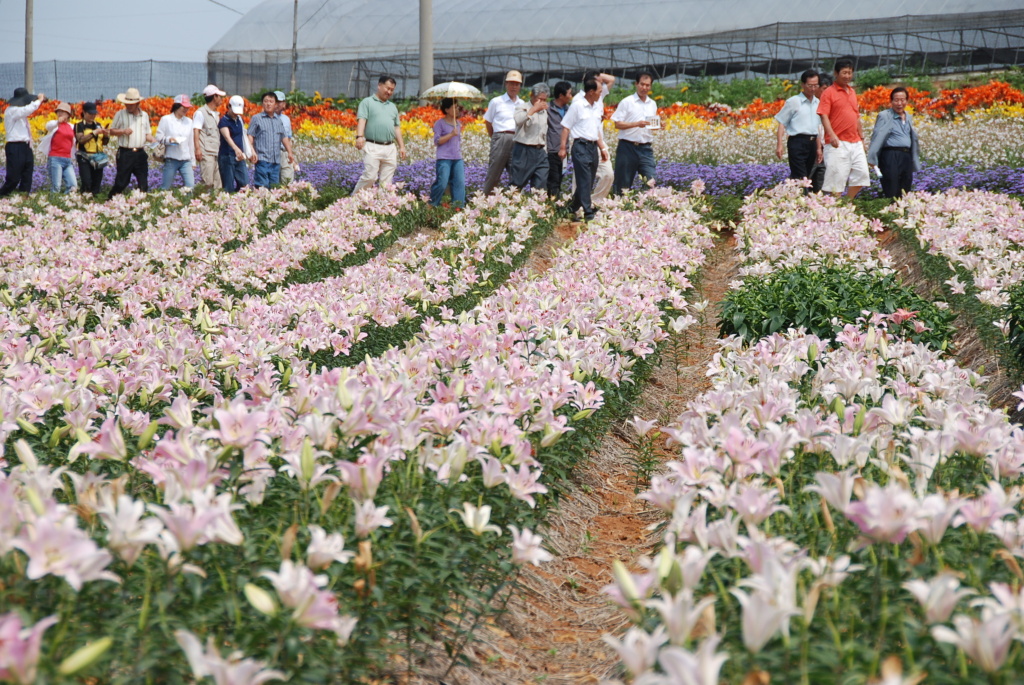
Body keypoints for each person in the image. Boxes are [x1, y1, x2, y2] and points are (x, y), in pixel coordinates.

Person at [817, 58, 870, 199]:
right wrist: (832, 135)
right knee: (836, 180)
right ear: (836, 73)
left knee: (862, 175)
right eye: (844, 73)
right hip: (838, 143)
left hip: (855, 141)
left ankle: (847, 203)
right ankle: (835, 211)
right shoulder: (829, 92)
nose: (847, 76)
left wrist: (862, 139)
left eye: (850, 73)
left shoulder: (852, 92)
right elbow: (823, 115)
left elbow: (856, 116)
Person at [559, 78, 608, 222]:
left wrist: (602, 147)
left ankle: (572, 207)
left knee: (589, 179)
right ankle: (588, 211)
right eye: (599, 91)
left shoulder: (596, 108)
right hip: (580, 146)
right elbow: (566, 127)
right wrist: (563, 148)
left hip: (593, 147)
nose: (601, 94)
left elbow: (596, 130)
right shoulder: (577, 106)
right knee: (584, 179)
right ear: (591, 92)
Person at [353, 75, 406, 192]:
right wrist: (359, 137)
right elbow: (362, 119)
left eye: (392, 90)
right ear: (379, 86)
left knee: (387, 182)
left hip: (390, 147)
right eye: (387, 88)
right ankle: (354, 200)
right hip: (373, 146)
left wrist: (402, 146)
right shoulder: (367, 102)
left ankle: (382, 205)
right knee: (370, 177)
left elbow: (396, 127)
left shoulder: (392, 107)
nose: (389, 92)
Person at [867, 86, 921, 199]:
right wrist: (872, 158)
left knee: (905, 187)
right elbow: (876, 137)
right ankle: (892, 211)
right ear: (891, 101)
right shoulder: (885, 115)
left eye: (902, 100)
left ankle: (902, 211)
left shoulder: (908, 117)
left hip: (906, 155)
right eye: (896, 100)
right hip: (890, 155)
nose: (899, 103)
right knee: (891, 187)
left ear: (907, 101)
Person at [611, 72, 658, 194]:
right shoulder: (627, 102)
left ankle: (643, 206)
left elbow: (651, 126)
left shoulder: (652, 104)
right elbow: (617, 124)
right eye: (642, 84)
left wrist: (659, 125)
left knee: (651, 181)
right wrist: (636, 124)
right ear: (636, 84)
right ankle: (621, 208)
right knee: (623, 185)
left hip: (646, 148)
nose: (645, 88)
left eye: (648, 85)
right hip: (627, 147)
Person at [775, 69, 822, 184]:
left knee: (807, 175)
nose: (813, 88)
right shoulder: (794, 101)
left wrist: (819, 148)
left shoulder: (818, 103)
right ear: (803, 85)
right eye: (810, 85)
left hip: (812, 142)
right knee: (801, 176)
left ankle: (794, 196)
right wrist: (779, 145)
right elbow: (782, 123)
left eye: (816, 85)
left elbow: (818, 128)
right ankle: (802, 198)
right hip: (797, 142)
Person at [573, 71, 615, 200]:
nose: (602, 84)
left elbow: (612, 79)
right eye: (599, 82)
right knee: (580, 177)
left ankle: (594, 202)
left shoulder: (599, 95)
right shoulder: (578, 100)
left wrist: (597, 75)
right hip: (582, 143)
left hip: (598, 141)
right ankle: (577, 208)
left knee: (608, 174)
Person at [482, 70, 524, 194]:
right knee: (494, 174)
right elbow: (488, 122)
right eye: (511, 83)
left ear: (520, 86)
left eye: (517, 84)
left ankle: (516, 204)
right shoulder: (496, 101)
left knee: (516, 174)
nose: (514, 87)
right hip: (501, 136)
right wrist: (495, 137)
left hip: (517, 139)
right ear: (506, 84)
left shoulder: (522, 104)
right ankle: (485, 202)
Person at [108, 87, 155, 196]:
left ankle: (142, 203)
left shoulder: (145, 116)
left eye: (131, 104)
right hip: (125, 153)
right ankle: (111, 199)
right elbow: (111, 131)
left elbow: (147, 134)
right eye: (127, 104)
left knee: (143, 183)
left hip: (140, 153)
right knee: (122, 182)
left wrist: (153, 140)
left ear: (138, 103)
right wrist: (123, 131)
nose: (128, 106)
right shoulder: (120, 114)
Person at [0, 87, 45, 197]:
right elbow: (27, 110)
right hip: (15, 146)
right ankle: (2, 195)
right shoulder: (12, 111)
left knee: (27, 174)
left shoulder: (20, 115)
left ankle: (23, 198)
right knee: (14, 177)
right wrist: (39, 100)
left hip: (25, 146)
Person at [248, 91, 294, 188]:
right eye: (266, 101)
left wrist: (289, 152)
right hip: (262, 159)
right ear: (262, 103)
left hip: (275, 161)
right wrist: (251, 151)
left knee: (274, 188)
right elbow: (250, 135)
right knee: (262, 187)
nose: (268, 104)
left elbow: (284, 137)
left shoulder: (278, 120)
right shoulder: (257, 118)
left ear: (275, 104)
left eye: (271, 101)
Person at [510, 83, 550, 191]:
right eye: (539, 99)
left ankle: (536, 206)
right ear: (532, 96)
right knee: (517, 184)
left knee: (541, 184)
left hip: (540, 151)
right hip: (524, 150)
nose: (542, 103)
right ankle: (511, 204)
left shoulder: (545, 112)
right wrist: (533, 110)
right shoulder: (522, 107)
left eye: (544, 100)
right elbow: (518, 121)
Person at [429, 97, 465, 207]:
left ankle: (458, 207)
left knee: (459, 183)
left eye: (457, 107)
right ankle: (432, 203)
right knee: (442, 183)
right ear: (447, 109)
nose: (457, 109)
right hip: (444, 158)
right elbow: (437, 141)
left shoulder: (458, 124)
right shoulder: (440, 123)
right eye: (454, 107)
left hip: (457, 158)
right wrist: (451, 134)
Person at [157, 94, 196, 190]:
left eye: (187, 107)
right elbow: (158, 137)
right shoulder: (166, 119)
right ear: (177, 106)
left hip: (185, 160)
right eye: (184, 107)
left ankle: (189, 204)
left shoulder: (189, 122)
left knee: (190, 186)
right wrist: (169, 139)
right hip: (171, 158)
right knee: (165, 187)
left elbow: (191, 142)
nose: (186, 109)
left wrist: (193, 161)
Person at [193, 84, 226, 188]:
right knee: (207, 182)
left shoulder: (216, 114)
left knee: (218, 184)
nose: (221, 99)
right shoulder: (200, 113)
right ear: (214, 97)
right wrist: (198, 149)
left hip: (216, 152)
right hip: (206, 153)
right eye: (219, 96)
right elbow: (196, 131)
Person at [218, 95, 252, 193]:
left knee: (244, 184)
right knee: (228, 186)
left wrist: (250, 150)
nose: (236, 113)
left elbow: (244, 136)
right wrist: (236, 149)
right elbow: (227, 137)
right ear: (228, 107)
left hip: (240, 157)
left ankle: (239, 201)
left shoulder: (240, 120)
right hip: (227, 156)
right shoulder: (224, 121)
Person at [545, 81, 573, 199]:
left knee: (561, 177)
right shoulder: (548, 109)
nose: (571, 96)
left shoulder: (569, 109)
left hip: (565, 151)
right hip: (552, 150)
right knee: (553, 179)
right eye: (569, 93)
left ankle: (555, 202)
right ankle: (553, 205)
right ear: (561, 95)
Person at [75, 102, 109, 195]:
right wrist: (94, 133)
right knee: (87, 181)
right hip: (84, 156)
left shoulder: (98, 125)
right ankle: (84, 197)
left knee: (96, 183)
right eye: (90, 114)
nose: (93, 116)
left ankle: (94, 201)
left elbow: (104, 142)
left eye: (94, 114)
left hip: (98, 157)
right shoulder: (80, 125)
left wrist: (106, 135)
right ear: (84, 113)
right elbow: (81, 140)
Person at [44, 102, 77, 193]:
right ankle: (53, 205)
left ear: (68, 114)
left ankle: (65, 202)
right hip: (55, 158)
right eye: (58, 111)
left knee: (73, 186)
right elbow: (48, 126)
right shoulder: (54, 124)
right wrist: (58, 121)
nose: (60, 113)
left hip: (67, 159)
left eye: (63, 112)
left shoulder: (72, 126)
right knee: (56, 187)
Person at [809, 74, 832, 194]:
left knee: (822, 181)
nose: (827, 92)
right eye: (824, 89)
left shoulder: (830, 104)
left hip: (827, 146)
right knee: (807, 180)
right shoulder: (811, 105)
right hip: (812, 146)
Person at [274, 91, 296, 184]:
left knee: (287, 180)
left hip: (284, 153)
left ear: (284, 104)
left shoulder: (286, 119)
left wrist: (290, 153)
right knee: (274, 183)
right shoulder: (264, 118)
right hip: (272, 153)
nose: (278, 104)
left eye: (280, 102)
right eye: (276, 101)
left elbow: (288, 137)